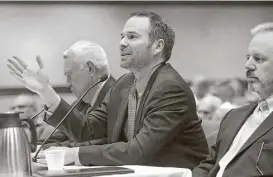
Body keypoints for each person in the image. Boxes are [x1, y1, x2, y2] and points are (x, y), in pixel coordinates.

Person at [7, 12, 208, 169]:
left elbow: (139, 151)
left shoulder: (170, 88)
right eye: (122, 36)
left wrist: (74, 154)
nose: (122, 43)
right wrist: (46, 91)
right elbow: (87, 129)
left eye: (132, 37)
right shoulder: (124, 84)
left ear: (157, 46)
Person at [192, 22, 273, 177]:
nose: (247, 65)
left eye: (259, 59)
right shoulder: (233, 116)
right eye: (247, 57)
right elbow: (210, 164)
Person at [43, 40, 115, 148]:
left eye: (70, 75)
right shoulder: (80, 104)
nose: (67, 84)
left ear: (90, 69)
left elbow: (98, 141)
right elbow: (53, 140)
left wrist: (45, 91)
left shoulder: (117, 96)